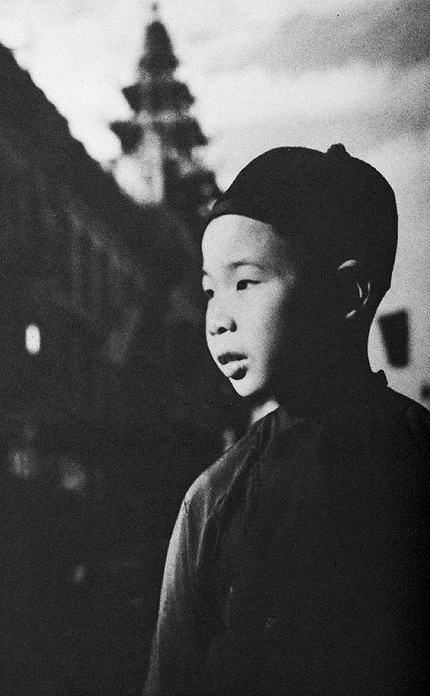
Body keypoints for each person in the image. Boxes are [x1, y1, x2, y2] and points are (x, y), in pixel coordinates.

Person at [143, 144, 429, 695]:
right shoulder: (213, 497)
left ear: (349, 292)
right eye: (209, 290)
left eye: (245, 283)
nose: (218, 319)